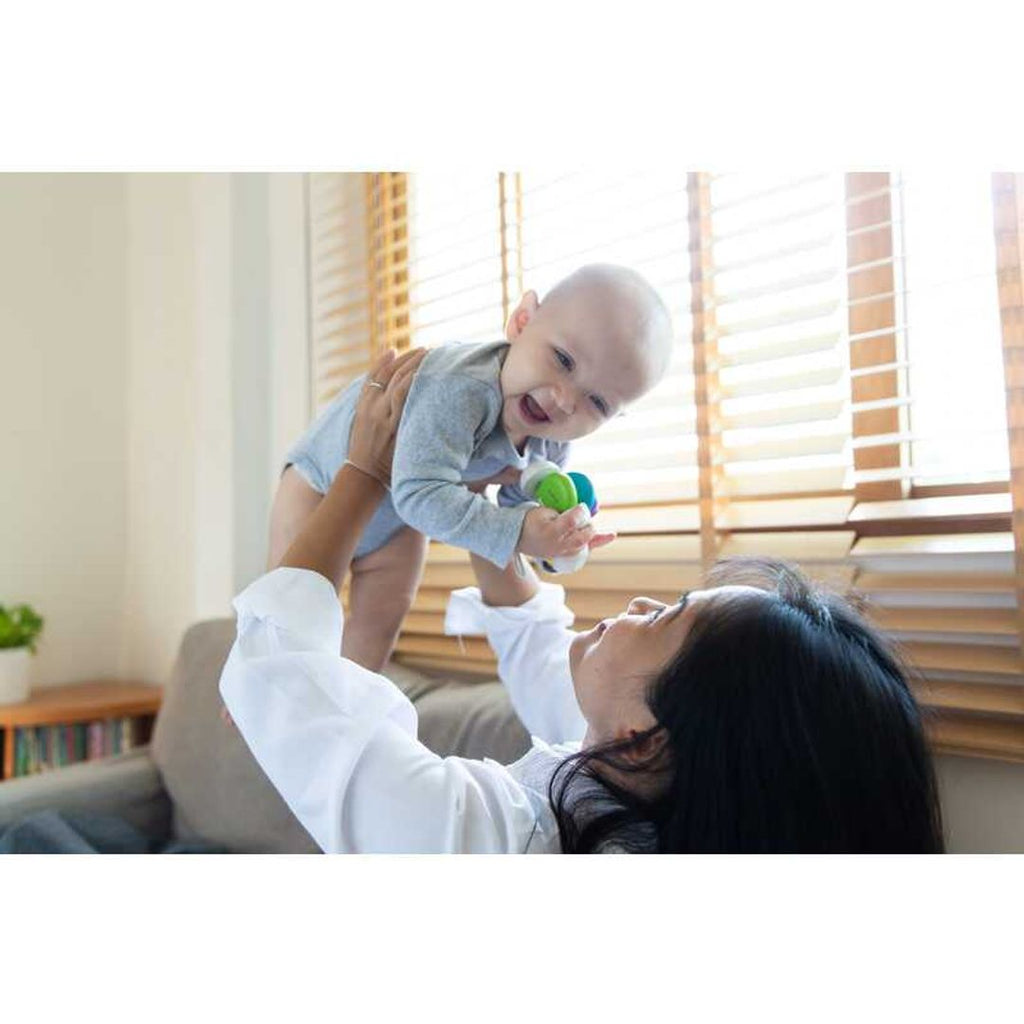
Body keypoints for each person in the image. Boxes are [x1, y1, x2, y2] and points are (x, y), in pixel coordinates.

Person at [220, 347, 946, 854]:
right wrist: (494, 506)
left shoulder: (499, 839)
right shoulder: (650, 795)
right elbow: (540, 650)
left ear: (645, 733)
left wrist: (364, 473)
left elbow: (281, 677)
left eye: (662, 616)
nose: (634, 602)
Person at [268, 263, 674, 670]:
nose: (565, 400)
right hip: (321, 486)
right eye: (563, 360)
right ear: (522, 321)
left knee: (381, 621)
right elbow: (422, 493)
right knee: (290, 610)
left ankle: (349, 709)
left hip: (397, 520)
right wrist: (518, 533)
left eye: (598, 402)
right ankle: (261, 675)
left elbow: (517, 512)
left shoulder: (550, 441)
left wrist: (556, 542)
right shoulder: (460, 387)